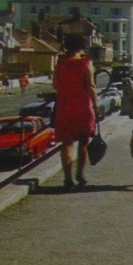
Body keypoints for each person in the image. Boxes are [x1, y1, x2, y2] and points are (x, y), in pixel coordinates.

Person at [52, 34, 97, 190]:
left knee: (66, 143)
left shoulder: (60, 64)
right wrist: (96, 105)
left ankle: (67, 178)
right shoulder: (85, 63)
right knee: (83, 142)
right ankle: (80, 174)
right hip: (83, 106)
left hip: (65, 106)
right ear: (81, 47)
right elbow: (91, 86)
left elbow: (55, 85)